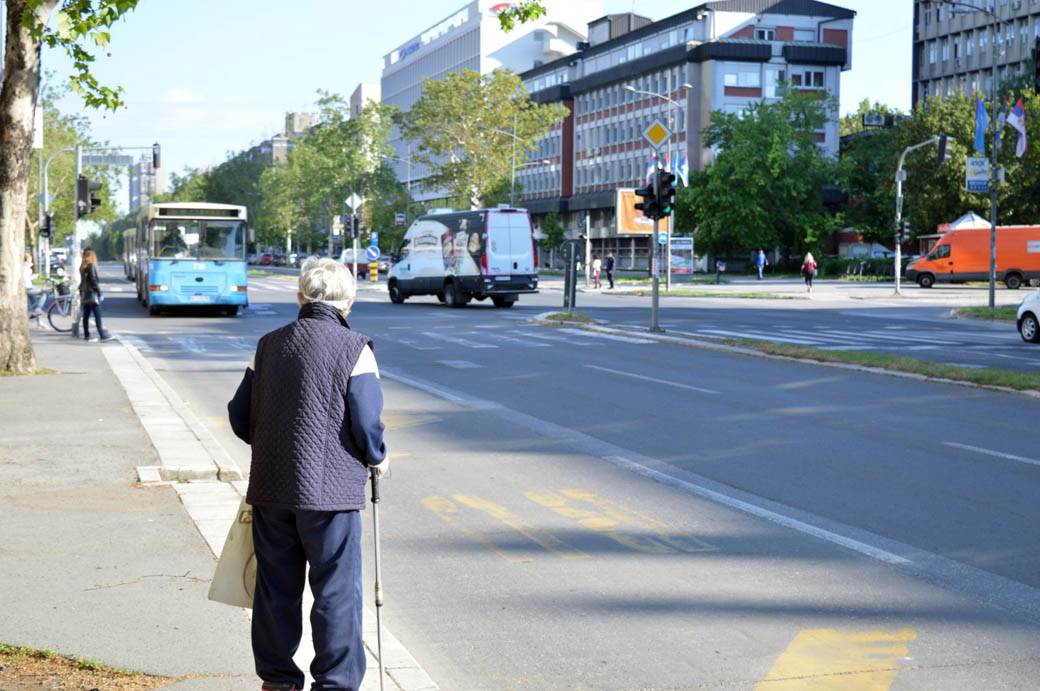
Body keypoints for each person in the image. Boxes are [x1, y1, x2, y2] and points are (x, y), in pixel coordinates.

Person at [227, 257, 389, 691]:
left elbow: (240, 416)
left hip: (272, 488)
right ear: (349, 303)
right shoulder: (356, 349)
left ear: (299, 297)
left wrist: (273, 446)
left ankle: (278, 680)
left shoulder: (267, 346)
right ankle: (334, 682)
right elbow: (367, 423)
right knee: (335, 590)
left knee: (275, 587)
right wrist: (377, 457)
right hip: (332, 496)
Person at [79, 248, 110, 341]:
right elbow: (93, 280)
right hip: (92, 293)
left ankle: (86, 335)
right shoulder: (91, 266)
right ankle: (102, 335)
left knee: (86, 316)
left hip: (85, 293)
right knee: (97, 315)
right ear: (92, 256)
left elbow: (84, 281)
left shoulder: (82, 267)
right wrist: (99, 292)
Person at [24, 253, 46, 322]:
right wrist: (33, 277)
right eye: (29, 259)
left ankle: (39, 322)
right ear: (26, 260)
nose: (31, 261)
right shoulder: (24, 268)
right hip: (27, 288)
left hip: (29, 286)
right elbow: (25, 279)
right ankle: (38, 309)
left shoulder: (26, 267)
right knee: (44, 292)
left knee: (34, 302)